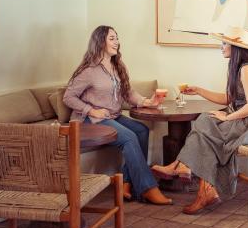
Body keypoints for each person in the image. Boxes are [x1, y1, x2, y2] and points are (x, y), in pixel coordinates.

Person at [151, 26, 248, 214]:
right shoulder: (237, 67)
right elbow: (229, 99)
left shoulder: (246, 69)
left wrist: (228, 116)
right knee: (206, 120)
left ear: (235, 47)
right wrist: (198, 90)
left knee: (211, 132)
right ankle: (195, 179)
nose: (221, 47)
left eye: (224, 44)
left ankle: (186, 171)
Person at [64, 25, 172, 205]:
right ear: (100, 42)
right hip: (90, 121)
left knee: (141, 131)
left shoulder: (117, 65)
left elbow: (127, 92)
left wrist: (147, 102)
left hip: (111, 116)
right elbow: (69, 96)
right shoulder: (88, 70)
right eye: (112, 38)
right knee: (129, 137)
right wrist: (91, 110)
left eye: (117, 38)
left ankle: (126, 183)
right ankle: (147, 188)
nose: (117, 42)